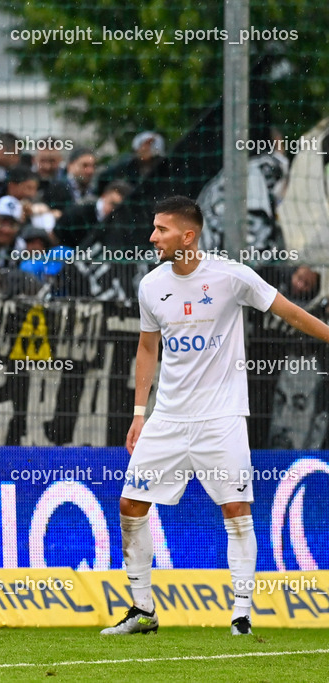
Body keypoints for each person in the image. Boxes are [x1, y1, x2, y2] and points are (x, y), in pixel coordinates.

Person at [104, 195, 329, 637]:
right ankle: (142, 610)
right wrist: (138, 413)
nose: (152, 237)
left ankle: (241, 614)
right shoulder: (151, 285)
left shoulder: (231, 276)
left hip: (221, 418)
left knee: (236, 508)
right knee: (130, 503)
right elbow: (147, 347)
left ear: (188, 236)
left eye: (161, 230)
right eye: (153, 228)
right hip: (167, 418)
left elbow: (290, 312)